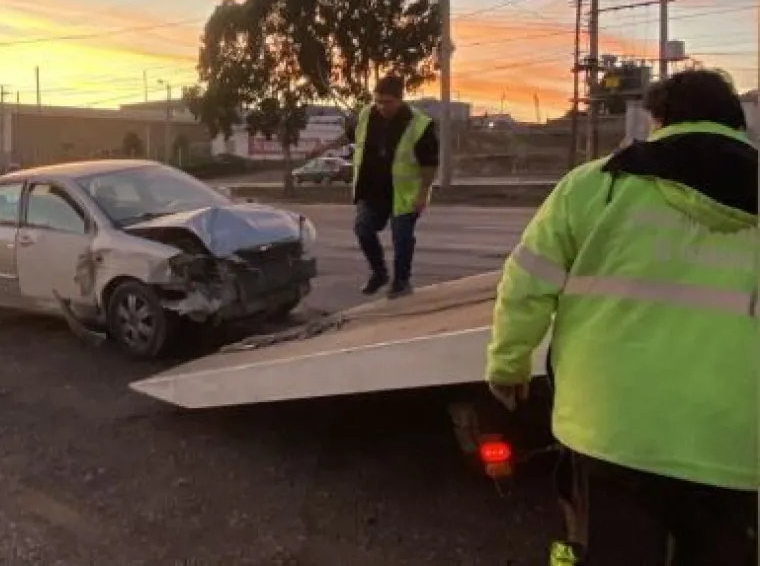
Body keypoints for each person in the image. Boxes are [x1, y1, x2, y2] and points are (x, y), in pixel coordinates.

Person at [485, 68, 757, 565]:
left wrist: (508, 365)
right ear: (737, 124)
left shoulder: (596, 185)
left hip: (608, 427)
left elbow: (525, 285)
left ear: (658, 120)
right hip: (736, 442)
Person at [308, 74, 439, 298]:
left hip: (403, 194)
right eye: (377, 100)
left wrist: (422, 193)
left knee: (402, 237)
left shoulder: (420, 125)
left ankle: (401, 282)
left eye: (387, 102)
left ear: (400, 100)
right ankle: (379, 273)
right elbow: (349, 136)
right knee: (363, 229)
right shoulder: (368, 115)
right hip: (372, 190)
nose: (381, 106)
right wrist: (324, 148)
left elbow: (429, 165)